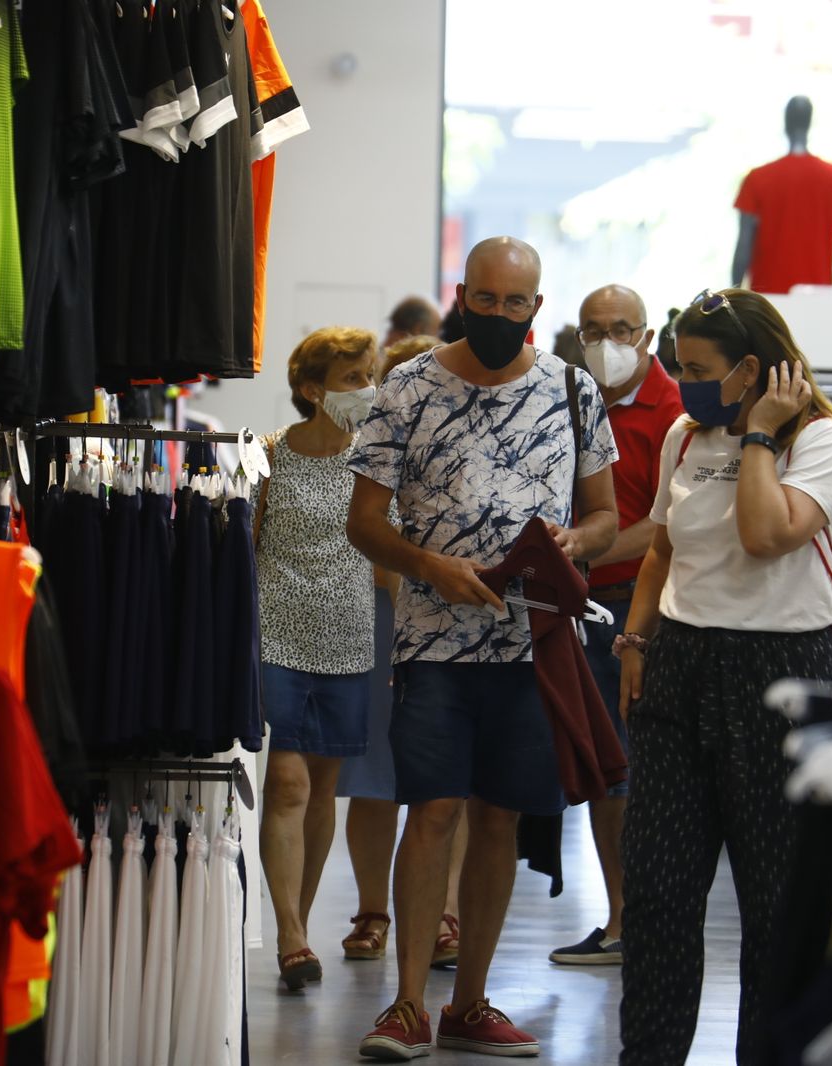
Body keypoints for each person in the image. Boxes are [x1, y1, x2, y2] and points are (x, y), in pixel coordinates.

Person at [346, 236, 619, 1059]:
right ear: (463, 296)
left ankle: (469, 1003)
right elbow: (363, 523)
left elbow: (607, 517)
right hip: (433, 643)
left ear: (538, 306)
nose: (500, 314)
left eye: (516, 302)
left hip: (534, 646)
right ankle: (406, 1005)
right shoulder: (406, 387)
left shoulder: (572, 389)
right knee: (432, 810)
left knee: (499, 816)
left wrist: (577, 542)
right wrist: (428, 565)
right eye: (487, 299)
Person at [615, 288, 832, 1064]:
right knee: (656, 893)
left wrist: (758, 435)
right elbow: (661, 551)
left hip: (781, 673)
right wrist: (635, 640)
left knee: (777, 906)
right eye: (679, 366)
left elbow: (764, 534)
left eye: (697, 369)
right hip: (681, 664)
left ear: (750, 370)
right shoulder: (684, 437)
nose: (682, 384)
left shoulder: (823, 441)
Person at [548, 284, 683, 968]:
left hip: (633, 606)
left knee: (626, 771)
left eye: (622, 329)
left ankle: (633, 921)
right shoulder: (570, 398)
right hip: (571, 601)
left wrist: (582, 547)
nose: (608, 343)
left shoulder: (674, 413)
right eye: (593, 330)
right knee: (603, 773)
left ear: (647, 336)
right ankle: (622, 917)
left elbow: (668, 527)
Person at [336, 332, 471, 971]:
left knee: (447, 784)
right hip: (377, 622)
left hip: (448, 622)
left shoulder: (465, 443)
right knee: (373, 780)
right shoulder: (372, 446)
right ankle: (372, 911)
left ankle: (444, 911)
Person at [251, 326, 381, 991]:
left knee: (324, 789)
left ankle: (297, 925)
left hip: (350, 640)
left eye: (370, 376)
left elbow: (388, 552)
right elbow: (245, 548)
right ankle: (290, 935)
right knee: (288, 784)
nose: (368, 389)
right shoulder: (271, 454)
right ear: (312, 388)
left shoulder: (375, 459)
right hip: (278, 636)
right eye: (354, 378)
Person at [732, 96, 832, 296]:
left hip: (768, 301)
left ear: (785, 125)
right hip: (819, 300)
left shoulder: (756, 179)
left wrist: (734, 302)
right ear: (810, 124)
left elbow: (743, 248)